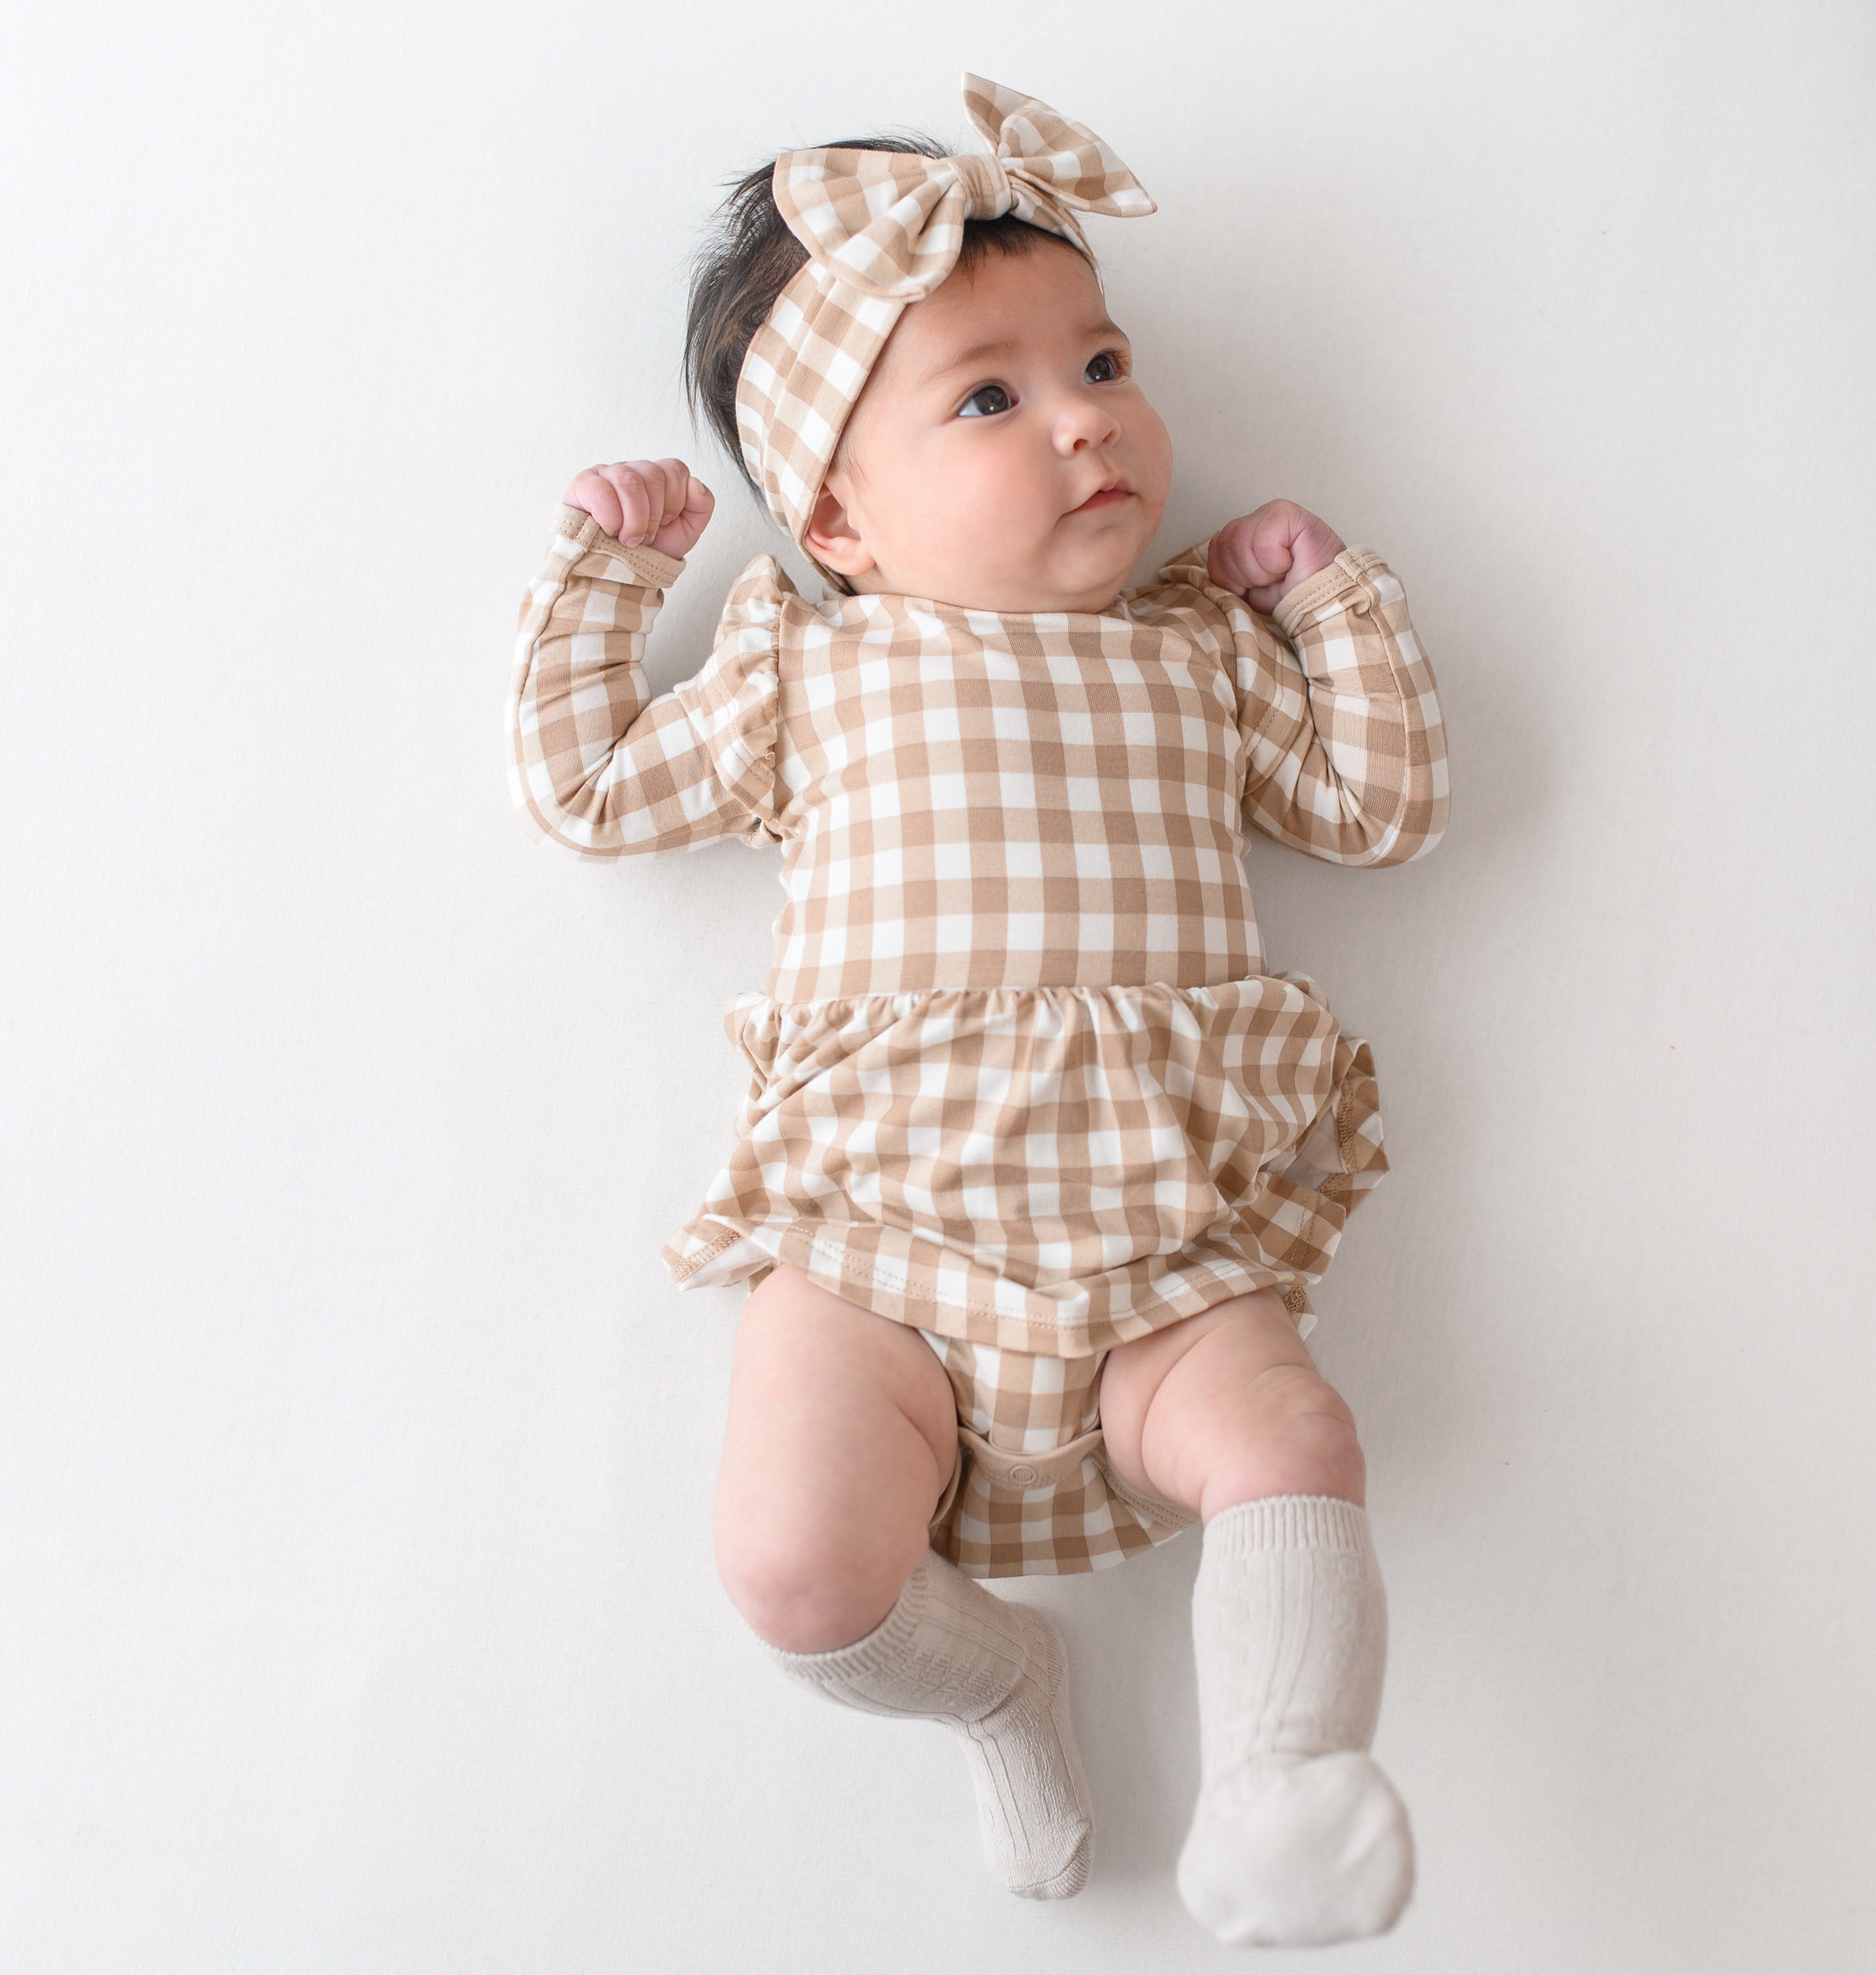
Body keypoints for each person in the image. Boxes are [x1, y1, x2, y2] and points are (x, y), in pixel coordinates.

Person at [507, 73, 1447, 1949]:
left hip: (1165, 1229)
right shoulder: (812, 666)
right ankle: (1000, 1684)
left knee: (1293, 1441)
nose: (1089, 421)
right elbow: (594, 792)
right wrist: (613, 576)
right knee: (793, 1568)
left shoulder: (1193, 655)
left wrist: (1332, 606)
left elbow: (1380, 807)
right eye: (995, 398)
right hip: (882, 1234)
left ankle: (1286, 1774)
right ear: (838, 516)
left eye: (1101, 361)